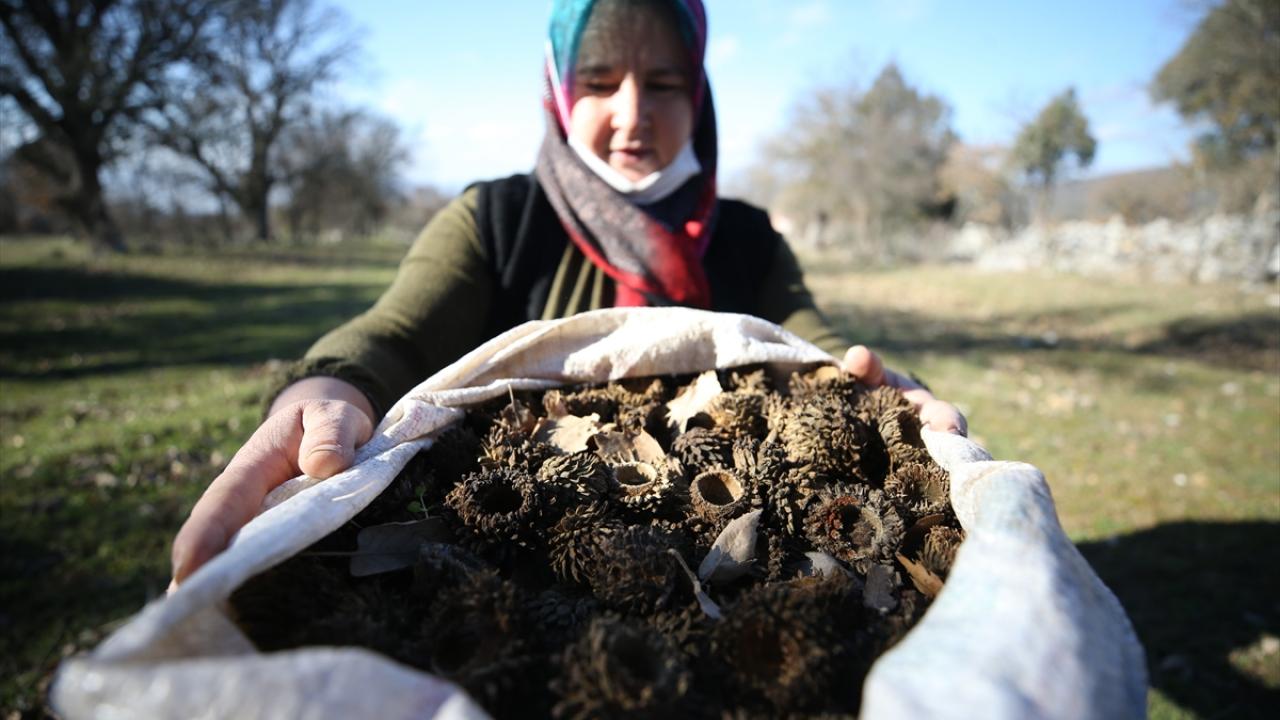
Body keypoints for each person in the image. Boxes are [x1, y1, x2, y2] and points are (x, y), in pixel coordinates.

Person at [170, 0, 966, 586]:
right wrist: (327, 387)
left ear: (699, 95)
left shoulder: (749, 239)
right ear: (558, 90)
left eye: (663, 82)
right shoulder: (499, 220)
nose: (632, 114)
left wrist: (873, 390)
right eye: (599, 80)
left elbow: (807, 338)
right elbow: (395, 333)